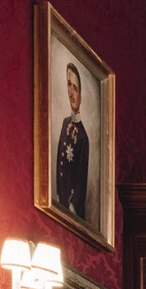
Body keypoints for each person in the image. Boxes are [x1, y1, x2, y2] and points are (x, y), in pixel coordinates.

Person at [54, 62, 90, 218]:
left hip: (71, 209)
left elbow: (80, 183)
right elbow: (59, 161)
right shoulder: (64, 123)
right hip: (60, 201)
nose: (71, 93)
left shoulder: (83, 137)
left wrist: (70, 206)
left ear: (81, 96)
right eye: (69, 85)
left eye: (75, 88)